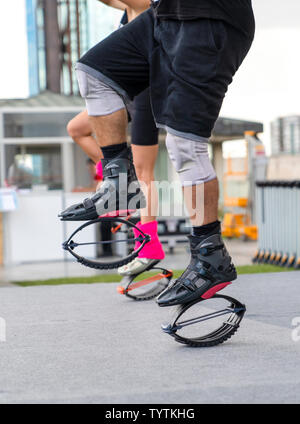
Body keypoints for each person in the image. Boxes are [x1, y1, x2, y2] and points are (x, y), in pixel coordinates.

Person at [60, 0, 255, 306]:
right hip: (164, 16)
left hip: (210, 18)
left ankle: (210, 257)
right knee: (94, 72)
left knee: (183, 146)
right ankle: (119, 182)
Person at [66, 0, 164, 274]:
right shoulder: (127, 10)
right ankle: (121, 180)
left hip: (145, 89)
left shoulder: (147, 5)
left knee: (146, 170)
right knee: (77, 129)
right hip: (125, 89)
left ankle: (150, 245)